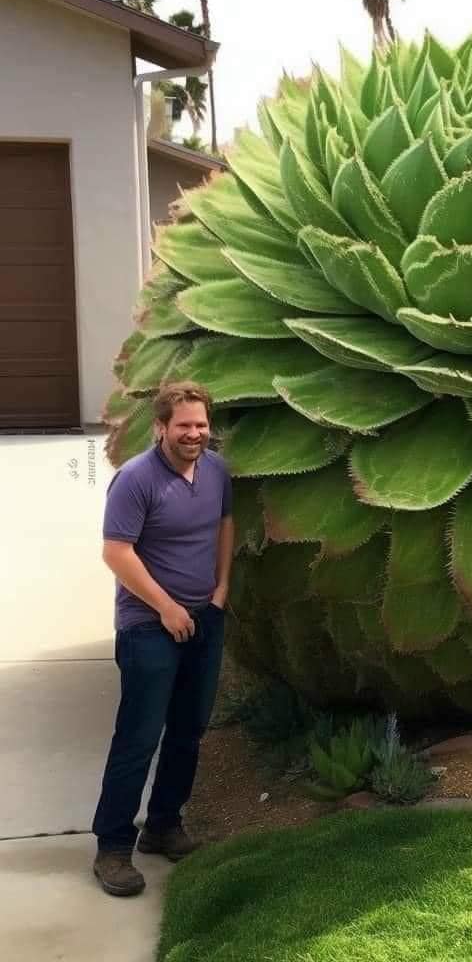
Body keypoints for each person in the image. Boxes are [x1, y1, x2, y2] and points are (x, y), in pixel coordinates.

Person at [91, 381, 234, 897]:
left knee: (188, 730)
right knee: (138, 737)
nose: (193, 433)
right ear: (160, 427)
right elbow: (116, 553)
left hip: (204, 618)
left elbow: (224, 525)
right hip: (147, 626)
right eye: (183, 425)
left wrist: (221, 589)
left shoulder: (216, 471)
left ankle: (164, 825)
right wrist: (167, 607)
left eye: (200, 424)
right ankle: (112, 847)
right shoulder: (135, 480)